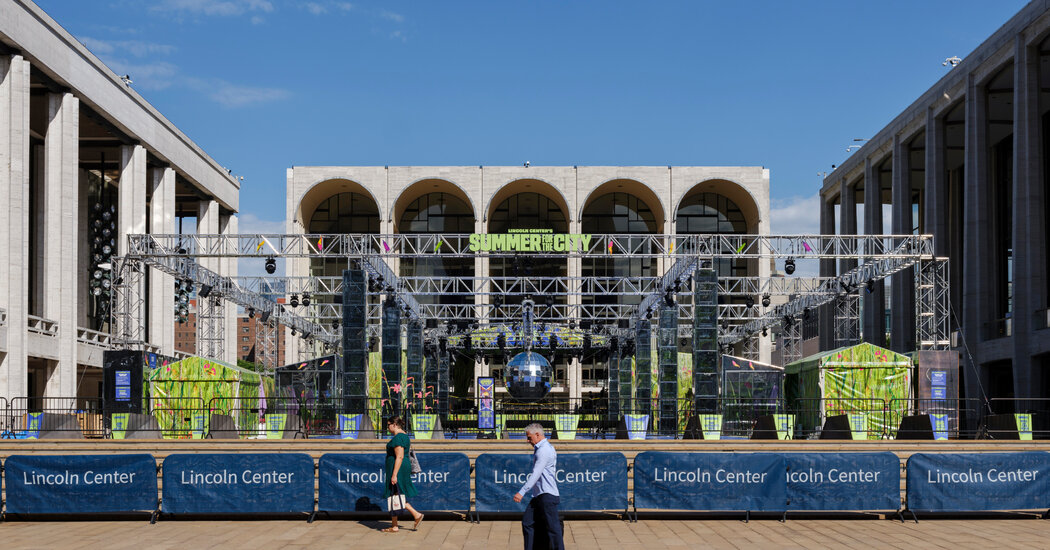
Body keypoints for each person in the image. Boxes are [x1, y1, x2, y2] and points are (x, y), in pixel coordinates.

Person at [513, 423, 564, 550]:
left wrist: (521, 492)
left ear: (537, 434)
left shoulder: (544, 450)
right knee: (527, 522)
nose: (527, 440)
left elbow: (536, 474)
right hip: (538, 495)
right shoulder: (542, 448)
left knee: (553, 528)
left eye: (529, 437)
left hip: (547, 494)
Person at [382, 416, 424, 533]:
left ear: (394, 425)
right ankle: (395, 525)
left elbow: (399, 456)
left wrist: (394, 474)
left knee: (396, 493)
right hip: (400, 468)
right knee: (394, 494)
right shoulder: (403, 436)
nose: (387, 427)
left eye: (388, 425)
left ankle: (416, 514)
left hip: (398, 469)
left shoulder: (399, 437)